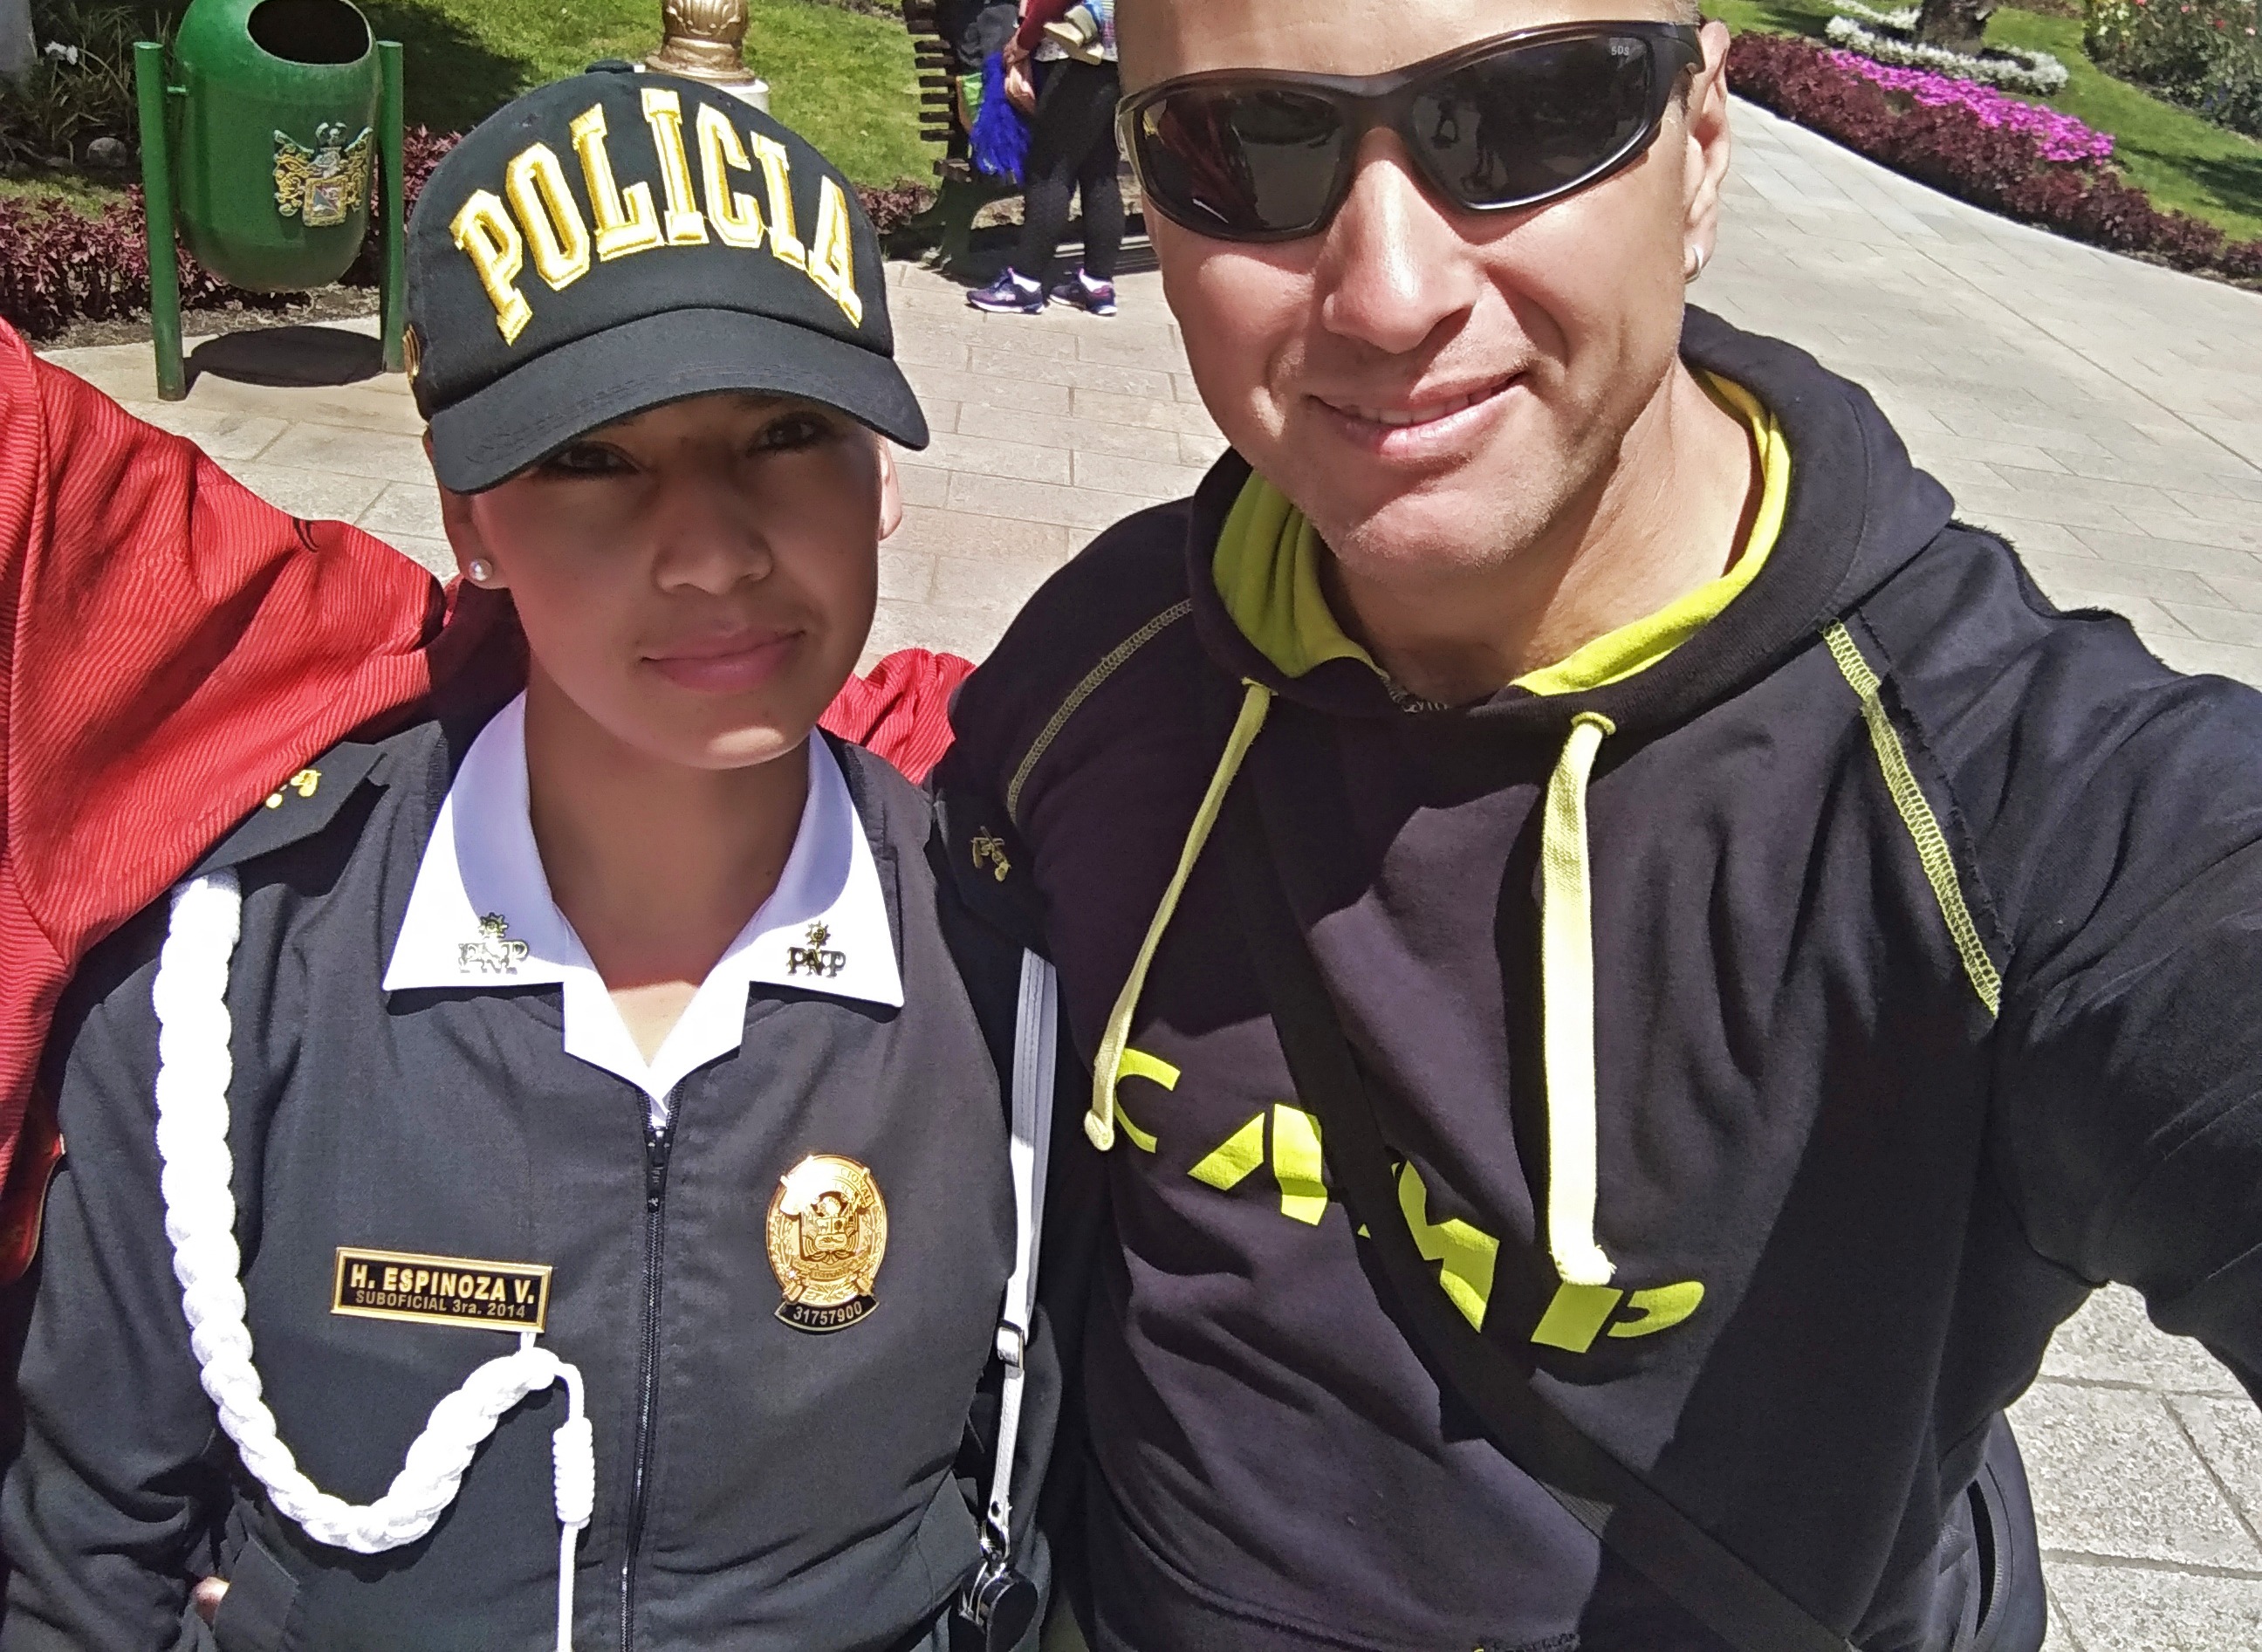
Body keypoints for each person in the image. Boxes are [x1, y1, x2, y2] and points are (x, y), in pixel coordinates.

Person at [934, 1, 2262, 1649]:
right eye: (1247, 147)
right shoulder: (1104, 662)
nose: (1388, 293)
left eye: (1525, 118)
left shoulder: (2016, 811)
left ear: (1698, 149)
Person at [1, 67, 1065, 1650]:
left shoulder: (1013, 959)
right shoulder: (235, 975)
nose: (711, 551)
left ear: (882, 472)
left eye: (788, 433)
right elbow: (87, 1560)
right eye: (593, 458)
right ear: (468, 520)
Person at [966, 0, 1122, 317]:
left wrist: (1022, 41)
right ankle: (1097, 285)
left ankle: (1024, 283)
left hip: (1071, 54)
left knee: (1049, 171)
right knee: (1100, 172)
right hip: (1117, 56)